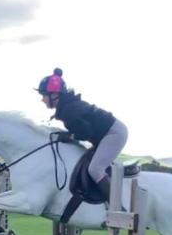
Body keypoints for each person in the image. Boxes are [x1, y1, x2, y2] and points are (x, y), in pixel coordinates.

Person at [36, 68, 128, 200]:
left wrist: (69, 136)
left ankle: (118, 204)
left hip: (114, 133)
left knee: (95, 170)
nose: (42, 99)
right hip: (107, 134)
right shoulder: (67, 107)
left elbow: (85, 133)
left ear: (55, 95)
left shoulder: (68, 110)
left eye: (44, 95)